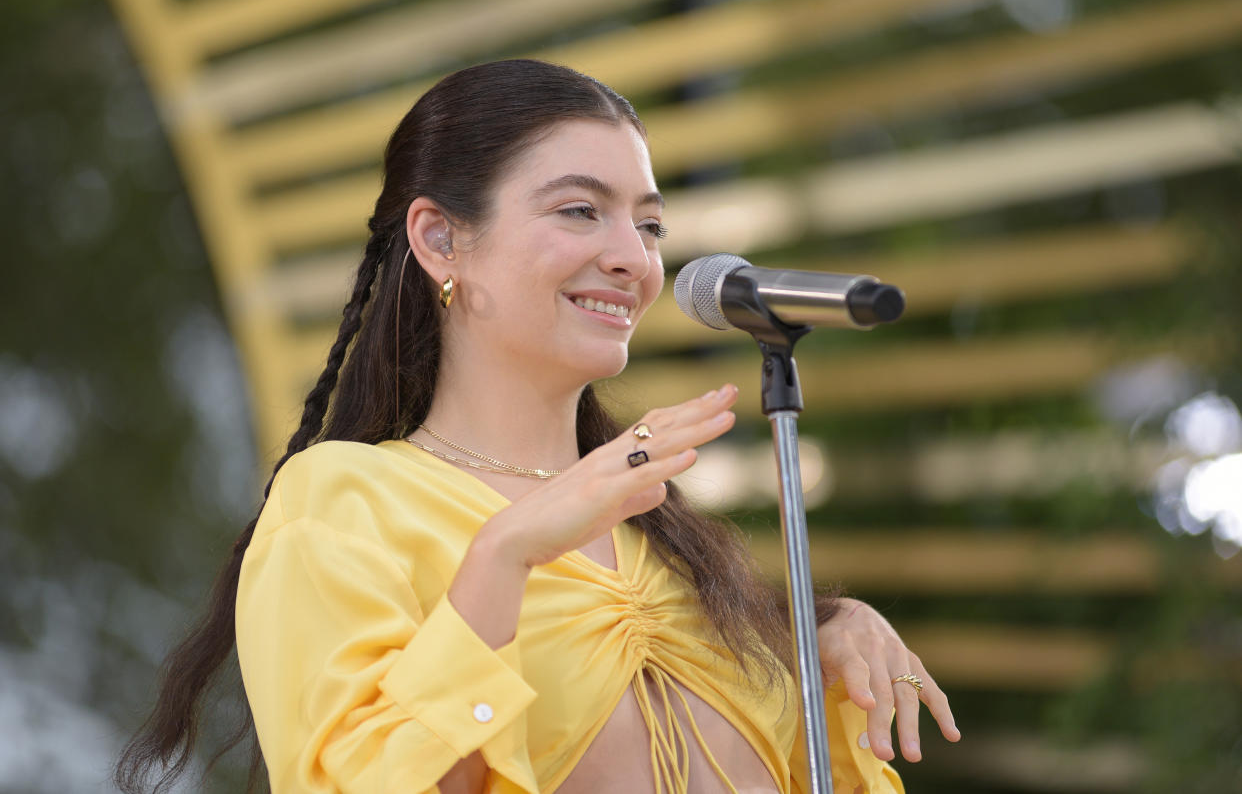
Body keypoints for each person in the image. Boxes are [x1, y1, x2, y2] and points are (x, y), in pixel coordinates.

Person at [116, 59, 959, 794]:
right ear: (441, 239)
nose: (634, 255)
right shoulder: (340, 505)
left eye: (650, 223)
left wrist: (824, 635)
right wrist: (504, 553)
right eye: (580, 211)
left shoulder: (667, 534)